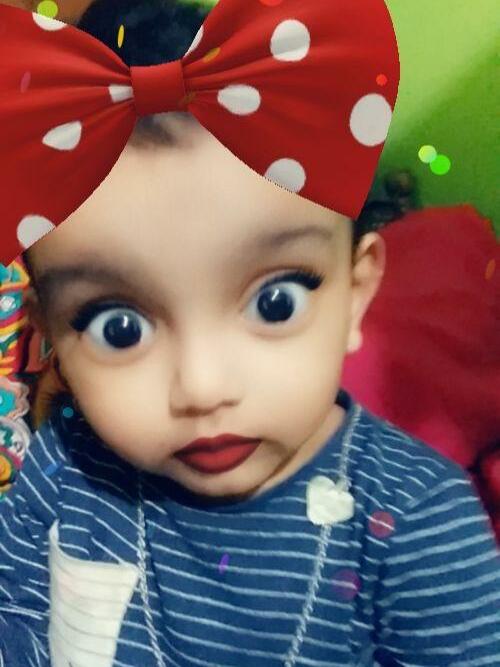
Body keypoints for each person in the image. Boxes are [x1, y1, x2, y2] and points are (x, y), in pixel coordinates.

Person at [0, 1, 499, 666]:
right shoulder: (66, 465)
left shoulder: (417, 525)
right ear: (52, 336)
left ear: (356, 294)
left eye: (275, 302)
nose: (203, 387)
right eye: (119, 329)